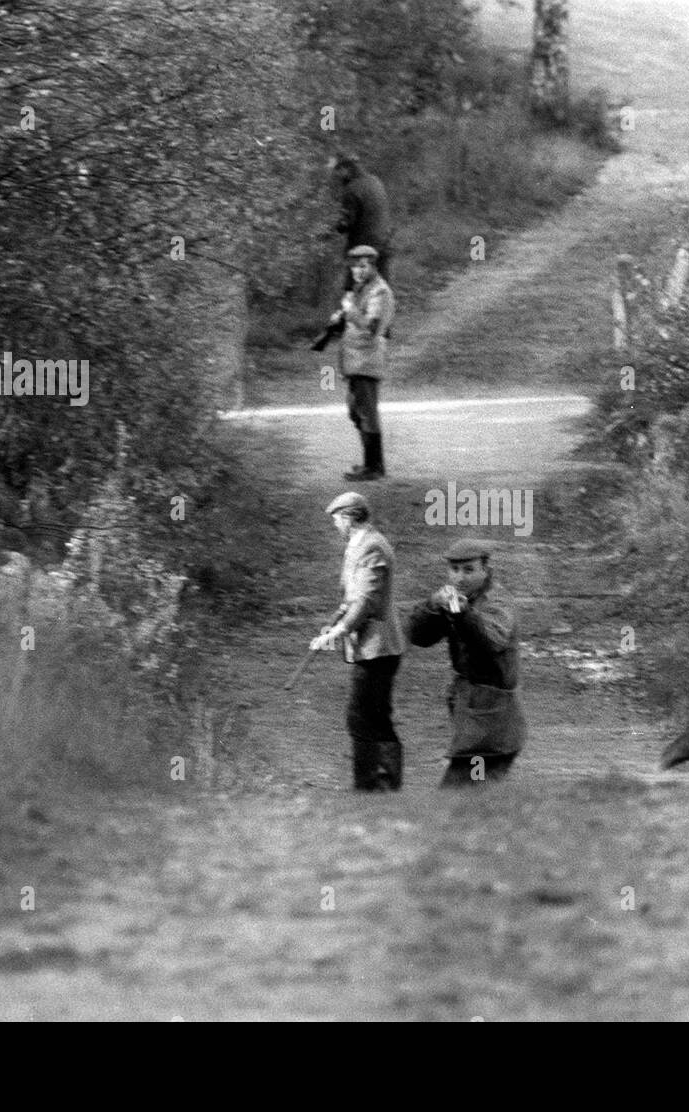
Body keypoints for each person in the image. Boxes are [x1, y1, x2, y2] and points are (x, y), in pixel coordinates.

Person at [407, 539, 527, 787]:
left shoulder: (498, 602)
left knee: (463, 793)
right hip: (472, 718)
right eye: (455, 570)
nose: (460, 578)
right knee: (473, 797)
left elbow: (490, 642)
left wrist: (463, 615)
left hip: (493, 725)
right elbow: (419, 637)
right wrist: (433, 606)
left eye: (469, 570)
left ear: (486, 569)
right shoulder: (458, 599)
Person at [310, 491, 406, 791]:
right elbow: (351, 597)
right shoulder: (357, 545)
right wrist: (334, 622)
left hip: (379, 648)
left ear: (349, 518)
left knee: (363, 717)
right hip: (369, 647)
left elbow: (366, 601)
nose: (336, 525)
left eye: (337, 519)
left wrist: (339, 632)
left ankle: (370, 786)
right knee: (373, 716)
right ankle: (384, 783)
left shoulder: (372, 546)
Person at [331, 245, 394, 481]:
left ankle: (375, 467)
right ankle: (370, 464)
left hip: (367, 362)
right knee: (356, 411)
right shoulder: (361, 290)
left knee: (366, 413)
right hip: (355, 362)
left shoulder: (379, 292)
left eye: (363, 265)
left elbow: (373, 327)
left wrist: (350, 309)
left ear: (373, 266)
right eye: (354, 266)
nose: (357, 270)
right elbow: (356, 322)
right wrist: (341, 318)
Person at [332, 153, 393, 286]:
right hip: (384, 244)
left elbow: (345, 223)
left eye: (338, 170)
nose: (337, 174)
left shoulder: (352, 189)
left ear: (346, 169)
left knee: (353, 291)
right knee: (383, 290)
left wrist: (331, 228)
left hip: (363, 249)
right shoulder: (375, 181)